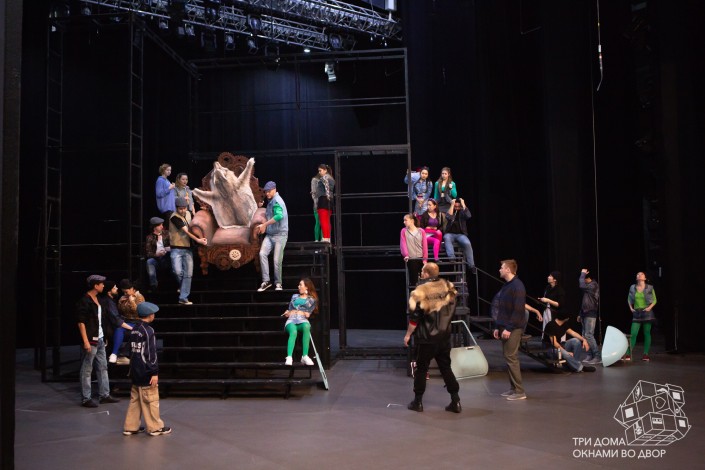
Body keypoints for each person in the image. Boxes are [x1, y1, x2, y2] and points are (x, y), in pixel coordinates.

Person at [403, 262, 461, 413]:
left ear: (426, 274)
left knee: (421, 369)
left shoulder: (420, 292)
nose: (421, 274)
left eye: (422, 272)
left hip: (426, 338)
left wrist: (408, 335)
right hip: (444, 337)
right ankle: (456, 401)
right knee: (446, 368)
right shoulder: (449, 289)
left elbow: (414, 319)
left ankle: (418, 402)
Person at [122, 301, 172, 437]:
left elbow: (128, 351)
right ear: (150, 315)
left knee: (135, 400)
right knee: (151, 400)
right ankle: (155, 427)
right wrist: (154, 372)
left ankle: (130, 427)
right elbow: (151, 353)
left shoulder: (134, 329)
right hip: (145, 372)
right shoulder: (148, 331)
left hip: (135, 371)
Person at [76, 274, 120, 407]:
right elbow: (81, 323)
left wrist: (104, 336)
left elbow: (100, 321)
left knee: (102, 367)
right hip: (90, 339)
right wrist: (85, 341)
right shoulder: (85, 301)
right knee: (87, 369)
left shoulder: (99, 299)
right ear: (95, 285)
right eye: (101, 284)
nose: (103, 286)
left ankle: (104, 395)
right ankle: (86, 398)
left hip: (100, 338)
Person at [491, 259, 528, 400]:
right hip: (504, 326)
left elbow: (518, 310)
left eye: (502, 267)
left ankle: (519, 391)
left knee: (512, 357)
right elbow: (502, 309)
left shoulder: (518, 286)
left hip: (513, 328)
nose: (499, 269)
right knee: (508, 357)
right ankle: (513, 388)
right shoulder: (507, 285)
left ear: (508, 269)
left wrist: (509, 328)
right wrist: (497, 326)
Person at [169, 197, 207, 304]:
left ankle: (183, 298)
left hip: (188, 248)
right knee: (177, 272)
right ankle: (182, 287)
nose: (183, 211)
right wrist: (198, 240)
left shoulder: (188, 213)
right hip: (176, 248)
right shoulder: (174, 217)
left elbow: (194, 223)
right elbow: (186, 231)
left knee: (188, 274)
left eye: (184, 208)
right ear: (176, 208)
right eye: (180, 209)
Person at [257, 181, 289, 292]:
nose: (267, 194)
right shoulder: (271, 200)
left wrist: (264, 225)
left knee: (276, 260)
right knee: (262, 254)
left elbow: (279, 216)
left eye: (269, 191)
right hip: (270, 235)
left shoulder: (277, 200)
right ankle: (266, 281)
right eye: (266, 191)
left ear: (274, 189)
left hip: (280, 235)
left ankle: (278, 283)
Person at [282, 278, 318, 366]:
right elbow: (290, 309)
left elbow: (308, 313)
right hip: (291, 320)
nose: (298, 286)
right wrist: (287, 312)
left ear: (306, 287)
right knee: (293, 331)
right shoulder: (294, 296)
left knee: (306, 326)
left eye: (300, 285)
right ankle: (289, 357)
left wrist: (305, 313)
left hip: (302, 320)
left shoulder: (312, 300)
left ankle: (305, 356)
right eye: (298, 285)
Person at [626, 271, 657, 362]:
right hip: (637, 313)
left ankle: (645, 354)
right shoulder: (632, 287)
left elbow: (655, 300)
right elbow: (629, 298)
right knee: (633, 334)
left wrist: (649, 308)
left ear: (645, 278)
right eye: (638, 274)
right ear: (636, 278)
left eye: (642, 274)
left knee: (646, 333)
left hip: (647, 312)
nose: (639, 275)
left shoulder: (650, 287)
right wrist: (631, 308)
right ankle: (628, 354)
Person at [101, 280, 134, 365]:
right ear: (109, 292)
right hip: (110, 329)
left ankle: (118, 354)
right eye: (114, 288)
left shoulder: (111, 300)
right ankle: (121, 354)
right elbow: (117, 320)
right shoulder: (108, 302)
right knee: (137, 331)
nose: (117, 288)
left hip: (113, 327)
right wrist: (132, 328)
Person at [443, 198, 475, 272]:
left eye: (458, 207)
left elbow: (468, 216)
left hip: (461, 235)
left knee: (467, 243)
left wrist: (463, 204)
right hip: (450, 234)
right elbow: (448, 217)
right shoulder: (451, 210)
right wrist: (452, 205)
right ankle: (452, 258)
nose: (457, 208)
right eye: (455, 206)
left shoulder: (462, 212)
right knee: (446, 238)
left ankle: (471, 265)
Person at [578, 269, 601, 363]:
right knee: (584, 335)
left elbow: (581, 285)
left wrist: (582, 274)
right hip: (585, 313)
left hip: (591, 313)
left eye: (584, 279)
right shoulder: (588, 288)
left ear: (588, 278)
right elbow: (585, 302)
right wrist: (580, 314)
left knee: (588, 335)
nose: (583, 281)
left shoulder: (593, 285)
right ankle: (589, 355)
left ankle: (597, 356)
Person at [144, 216, 171, 291]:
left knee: (171, 255)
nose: (162, 227)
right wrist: (157, 254)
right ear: (154, 227)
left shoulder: (167, 233)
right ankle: (154, 285)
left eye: (162, 224)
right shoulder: (150, 237)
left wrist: (168, 249)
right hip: (157, 259)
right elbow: (148, 253)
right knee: (149, 261)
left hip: (167, 257)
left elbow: (174, 245)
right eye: (160, 225)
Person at [400, 213, 428, 284]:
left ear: (412, 221)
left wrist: (425, 259)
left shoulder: (421, 231)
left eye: (406, 220)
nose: (404, 222)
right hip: (411, 258)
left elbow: (425, 245)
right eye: (404, 220)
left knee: (424, 280)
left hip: (421, 258)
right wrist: (406, 255)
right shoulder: (404, 231)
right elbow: (403, 244)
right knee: (414, 280)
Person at [314, 164, 335, 243]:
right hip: (329, 200)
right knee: (327, 220)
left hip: (323, 200)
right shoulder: (331, 178)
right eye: (318, 171)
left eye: (320, 170)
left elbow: (327, 188)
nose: (319, 172)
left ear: (325, 170)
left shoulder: (325, 178)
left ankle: (325, 237)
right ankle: (327, 237)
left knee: (323, 220)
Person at [310, 172, 322, 242]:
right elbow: (313, 193)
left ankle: (323, 239)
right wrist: (316, 203)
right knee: (318, 221)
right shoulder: (314, 180)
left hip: (324, 204)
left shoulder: (325, 180)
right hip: (317, 204)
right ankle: (317, 239)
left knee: (323, 222)